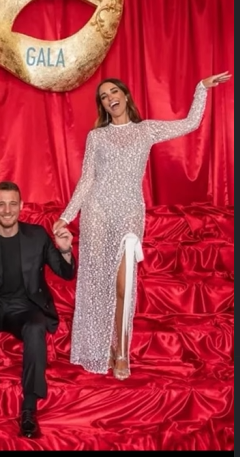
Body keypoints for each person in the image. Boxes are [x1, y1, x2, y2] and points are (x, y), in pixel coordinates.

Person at [52, 71, 231, 380]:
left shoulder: (146, 130)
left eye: (113, 92)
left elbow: (190, 124)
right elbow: (87, 179)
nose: (110, 98)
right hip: (97, 212)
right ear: (102, 105)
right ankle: (104, 347)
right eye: (104, 97)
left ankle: (122, 350)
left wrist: (201, 88)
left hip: (129, 214)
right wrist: (67, 216)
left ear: (125, 95)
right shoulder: (97, 137)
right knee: (100, 284)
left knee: (124, 286)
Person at [0, 181, 76, 438]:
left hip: (25, 310)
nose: (7, 210)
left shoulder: (37, 236)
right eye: (1, 204)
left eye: (12, 204)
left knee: (36, 326)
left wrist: (65, 251)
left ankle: (29, 408)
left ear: (21, 206)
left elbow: (65, 273)